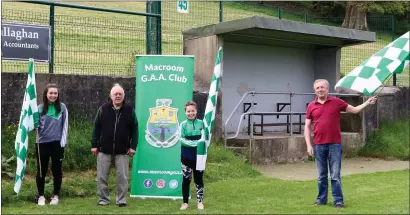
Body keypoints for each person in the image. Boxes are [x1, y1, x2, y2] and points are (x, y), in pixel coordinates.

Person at [304, 79, 377, 209]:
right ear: (314, 90)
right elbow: (307, 127)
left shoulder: (336, 102)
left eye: (322, 87)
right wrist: (309, 145)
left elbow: (354, 110)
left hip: (334, 145)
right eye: (317, 88)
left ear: (327, 89)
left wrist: (367, 102)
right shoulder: (311, 106)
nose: (320, 90)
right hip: (318, 145)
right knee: (321, 176)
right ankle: (321, 200)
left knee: (335, 175)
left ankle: (338, 201)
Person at [91, 83, 138, 207]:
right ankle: (103, 200)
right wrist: (94, 144)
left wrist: (133, 146)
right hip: (103, 149)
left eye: (120, 94)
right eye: (115, 94)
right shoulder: (103, 109)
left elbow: (135, 129)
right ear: (110, 96)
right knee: (102, 176)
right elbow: (96, 127)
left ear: (123, 96)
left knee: (122, 177)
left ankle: (121, 200)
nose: (118, 96)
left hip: (123, 150)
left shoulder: (130, 111)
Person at [36, 83, 69, 206]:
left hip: (57, 144)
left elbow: (65, 126)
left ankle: (55, 195)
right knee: (41, 171)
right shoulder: (39, 108)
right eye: (51, 93)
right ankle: (41, 196)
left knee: (57, 170)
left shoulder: (62, 108)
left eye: (55, 93)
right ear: (46, 94)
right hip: (41, 144)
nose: (53, 95)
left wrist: (63, 143)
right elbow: (34, 126)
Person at [179, 101, 208, 211]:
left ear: (196, 111)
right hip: (186, 157)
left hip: (199, 157)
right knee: (186, 180)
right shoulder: (183, 125)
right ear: (185, 112)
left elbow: (206, 136)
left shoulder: (202, 123)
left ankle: (200, 202)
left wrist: (201, 144)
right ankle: (185, 202)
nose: (191, 113)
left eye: (193, 111)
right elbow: (181, 139)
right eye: (188, 111)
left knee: (199, 180)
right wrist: (196, 144)